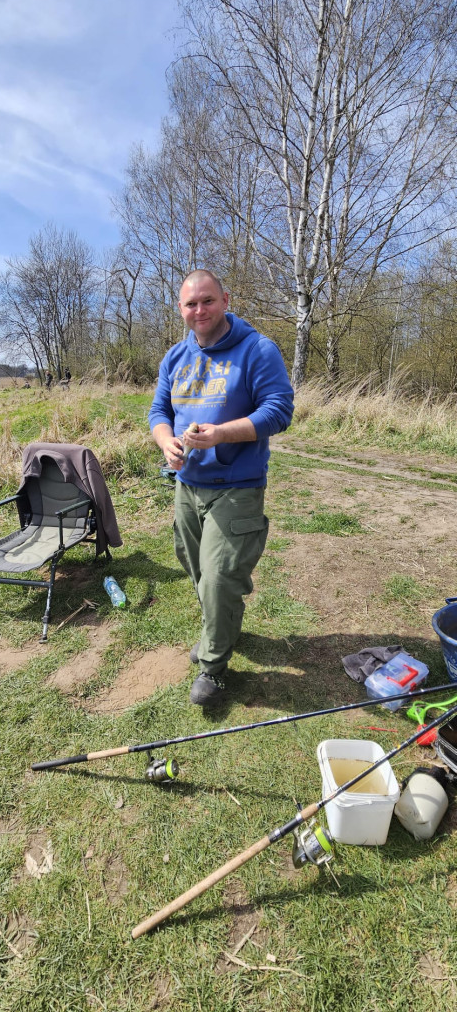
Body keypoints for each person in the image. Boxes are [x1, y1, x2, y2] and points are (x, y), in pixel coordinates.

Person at [149, 269, 294, 707]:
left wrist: (221, 434)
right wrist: (166, 443)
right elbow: (158, 412)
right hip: (187, 485)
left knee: (218, 577)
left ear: (225, 300)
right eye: (191, 304)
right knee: (195, 567)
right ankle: (222, 628)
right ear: (180, 308)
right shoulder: (175, 357)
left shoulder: (257, 349)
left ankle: (214, 667)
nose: (200, 310)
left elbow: (279, 410)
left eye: (207, 300)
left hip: (237, 486)